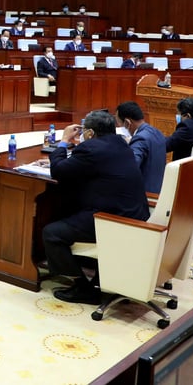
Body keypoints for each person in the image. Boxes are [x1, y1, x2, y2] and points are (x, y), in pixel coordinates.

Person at [44, 111, 149, 304]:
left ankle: (82, 287)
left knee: (52, 233)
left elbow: (58, 171)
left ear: (90, 133)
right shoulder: (122, 144)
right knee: (70, 209)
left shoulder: (91, 149)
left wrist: (64, 141)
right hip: (136, 214)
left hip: (112, 220)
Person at [116, 101, 167, 194]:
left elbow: (130, 167)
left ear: (127, 123)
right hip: (159, 188)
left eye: (119, 123)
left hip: (145, 195)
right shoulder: (157, 132)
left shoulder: (140, 138)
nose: (119, 126)